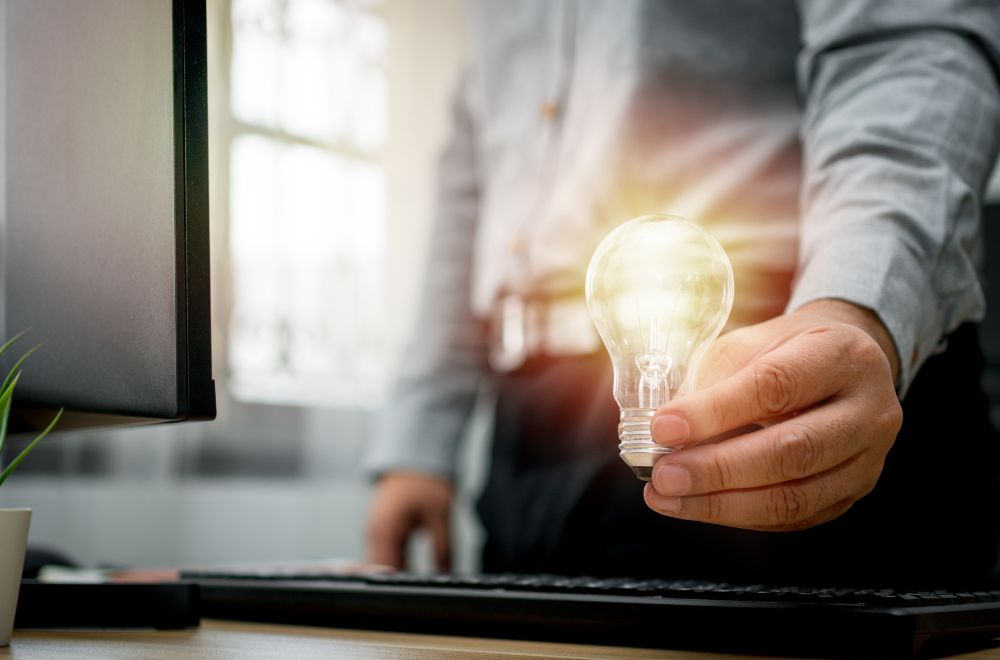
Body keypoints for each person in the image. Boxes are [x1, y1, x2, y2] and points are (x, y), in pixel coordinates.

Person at [365, 0, 1000, 588]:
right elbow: (477, 161)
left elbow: (905, 43)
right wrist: (420, 438)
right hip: (529, 425)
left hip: (782, 386)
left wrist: (854, 306)